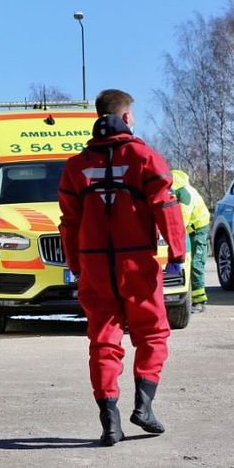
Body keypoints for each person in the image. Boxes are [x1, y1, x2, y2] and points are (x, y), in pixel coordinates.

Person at [58, 89, 187, 447]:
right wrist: (177, 251)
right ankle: (143, 406)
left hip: (95, 265)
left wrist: (75, 264)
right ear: (127, 118)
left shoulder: (76, 166)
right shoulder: (145, 157)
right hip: (136, 263)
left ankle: (109, 421)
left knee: (103, 341)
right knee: (152, 334)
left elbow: (69, 222)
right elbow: (165, 204)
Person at [171, 169, 211, 313]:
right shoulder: (180, 190)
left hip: (198, 229)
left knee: (196, 263)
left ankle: (200, 301)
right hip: (192, 228)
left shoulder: (184, 194)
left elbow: (181, 219)